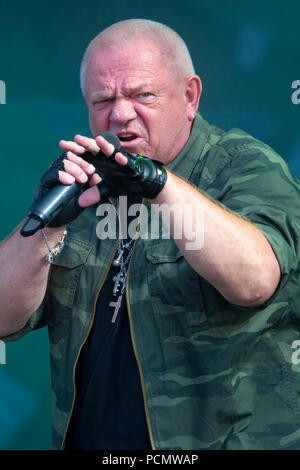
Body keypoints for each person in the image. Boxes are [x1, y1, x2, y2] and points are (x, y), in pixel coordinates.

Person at [1, 18, 300, 451]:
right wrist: (49, 224)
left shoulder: (244, 166)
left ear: (190, 96)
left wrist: (156, 182)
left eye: (142, 95)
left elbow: (254, 281)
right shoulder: (81, 185)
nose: (120, 113)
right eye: (102, 99)